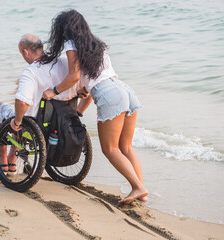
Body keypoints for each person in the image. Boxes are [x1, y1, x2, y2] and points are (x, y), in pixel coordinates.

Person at [42, 9, 148, 204]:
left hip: (111, 95)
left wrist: (54, 91)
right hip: (125, 91)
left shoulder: (71, 43)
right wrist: (79, 112)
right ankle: (141, 191)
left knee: (110, 149)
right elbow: (99, 82)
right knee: (126, 146)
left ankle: (138, 187)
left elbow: (74, 76)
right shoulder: (97, 45)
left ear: (63, 29)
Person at [0, 33, 87, 172]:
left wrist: (17, 122)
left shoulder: (31, 72)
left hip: (36, 125)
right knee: (21, 112)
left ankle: (3, 158)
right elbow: (88, 89)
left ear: (26, 52)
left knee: (1, 107)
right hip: (64, 122)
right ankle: (13, 157)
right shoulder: (65, 64)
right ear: (41, 47)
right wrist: (78, 114)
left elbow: (22, 101)